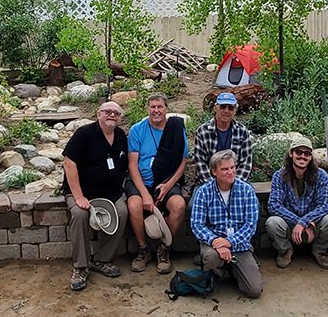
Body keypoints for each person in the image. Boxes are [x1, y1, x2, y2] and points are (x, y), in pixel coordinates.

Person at [61, 102, 130, 291]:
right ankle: (81, 266)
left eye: (116, 113)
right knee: (80, 215)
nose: (112, 115)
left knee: (122, 212)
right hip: (83, 192)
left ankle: (102, 259)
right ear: (98, 114)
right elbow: (69, 163)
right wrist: (79, 197)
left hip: (111, 192)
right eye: (108, 111)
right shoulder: (84, 134)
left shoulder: (121, 135)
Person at [126, 93, 188, 274]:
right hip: (141, 181)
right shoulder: (138, 129)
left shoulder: (176, 128)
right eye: (152, 107)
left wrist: (168, 185)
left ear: (166, 109)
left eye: (159, 107)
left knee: (178, 205)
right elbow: (132, 164)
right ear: (148, 109)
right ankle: (143, 249)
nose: (156, 111)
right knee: (134, 204)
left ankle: (164, 248)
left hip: (166, 179)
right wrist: (145, 194)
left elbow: (183, 161)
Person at [190, 150, 263, 298]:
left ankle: (234, 267)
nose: (230, 172)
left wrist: (229, 242)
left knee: (254, 290)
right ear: (214, 172)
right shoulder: (203, 192)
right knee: (211, 257)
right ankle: (218, 272)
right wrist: (216, 241)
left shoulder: (247, 190)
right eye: (224, 169)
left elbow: (250, 225)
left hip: (239, 244)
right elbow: (197, 225)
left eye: (232, 167)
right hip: (214, 244)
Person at [265, 136, 328, 270]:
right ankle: (285, 251)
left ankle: (320, 251)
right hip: (290, 227)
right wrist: (298, 222)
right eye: (298, 152)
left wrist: (304, 222)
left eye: (307, 153)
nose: (302, 156)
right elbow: (274, 205)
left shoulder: (321, 176)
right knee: (273, 222)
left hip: (314, 226)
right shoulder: (280, 176)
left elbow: (325, 206)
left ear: (311, 157)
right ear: (291, 154)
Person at [192, 92, 252, 185]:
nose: (226, 111)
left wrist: (233, 185)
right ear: (216, 108)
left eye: (230, 108)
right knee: (196, 199)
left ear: (235, 110)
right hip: (207, 183)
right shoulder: (202, 131)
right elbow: (200, 163)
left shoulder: (243, 131)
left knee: (250, 198)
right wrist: (214, 187)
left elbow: (246, 164)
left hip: (236, 182)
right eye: (223, 106)